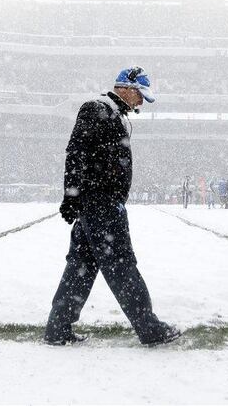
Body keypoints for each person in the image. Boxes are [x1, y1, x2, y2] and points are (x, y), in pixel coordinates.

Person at [45, 67, 180, 347]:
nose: (142, 102)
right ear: (126, 88)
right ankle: (149, 328)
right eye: (140, 95)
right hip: (102, 206)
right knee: (122, 264)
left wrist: (77, 198)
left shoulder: (113, 114)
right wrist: (71, 195)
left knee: (80, 266)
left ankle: (58, 329)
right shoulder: (98, 109)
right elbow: (76, 151)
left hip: (96, 205)